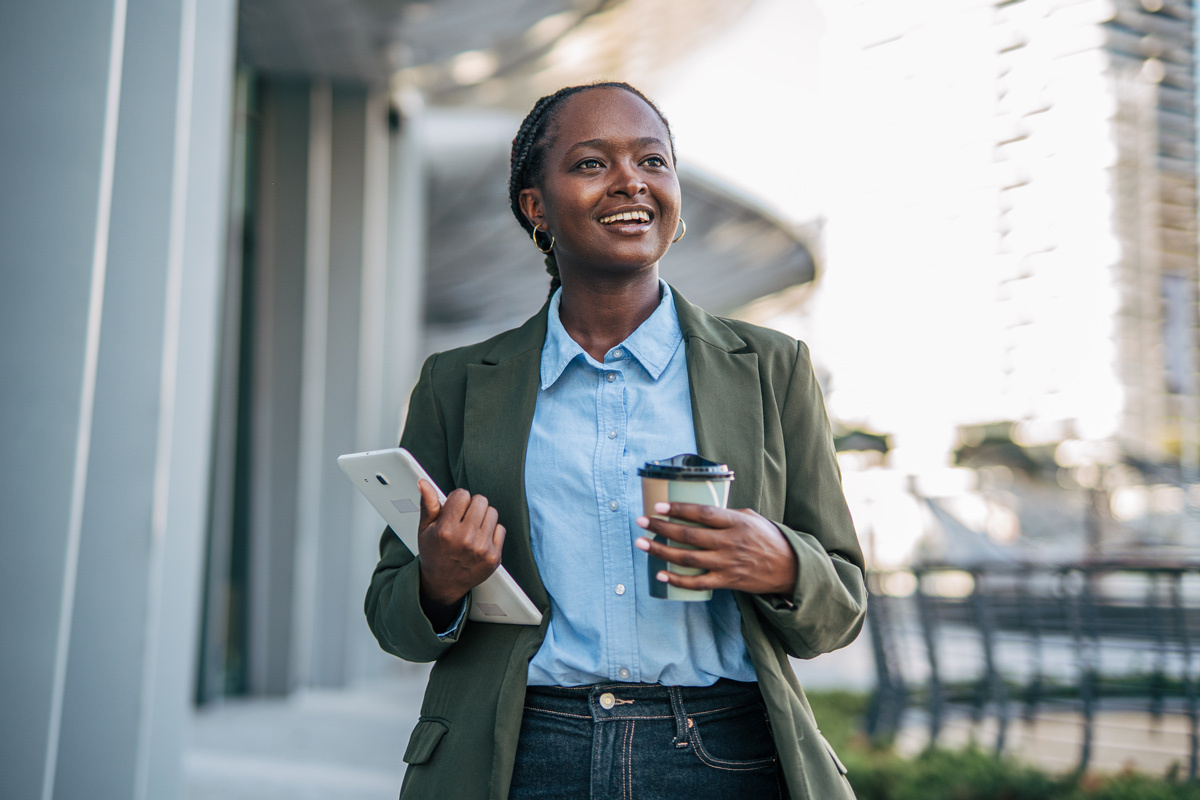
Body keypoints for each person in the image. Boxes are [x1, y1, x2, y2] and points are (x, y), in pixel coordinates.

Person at [365, 82, 866, 800]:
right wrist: (439, 583)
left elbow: (841, 606)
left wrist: (783, 562)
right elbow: (393, 618)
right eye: (592, 163)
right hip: (519, 754)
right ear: (536, 205)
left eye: (653, 161)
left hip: (721, 754)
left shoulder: (771, 369)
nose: (632, 180)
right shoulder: (458, 384)